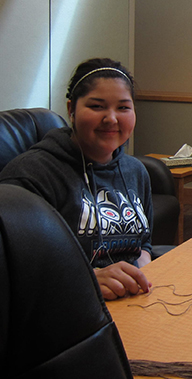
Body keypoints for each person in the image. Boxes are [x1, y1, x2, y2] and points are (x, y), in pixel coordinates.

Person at [0, 58, 152, 300]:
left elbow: (144, 244)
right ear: (71, 109)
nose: (111, 118)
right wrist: (89, 278)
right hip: (69, 312)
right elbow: (15, 271)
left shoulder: (135, 171)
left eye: (123, 107)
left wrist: (144, 266)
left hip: (132, 301)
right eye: (96, 106)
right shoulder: (30, 176)